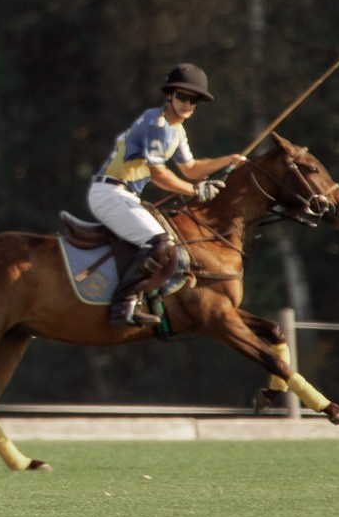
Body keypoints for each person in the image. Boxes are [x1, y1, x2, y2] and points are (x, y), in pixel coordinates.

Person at [87, 63, 246, 327]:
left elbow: (191, 169)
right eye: (182, 97)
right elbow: (159, 174)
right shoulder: (156, 123)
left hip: (125, 195)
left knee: (167, 241)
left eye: (194, 100)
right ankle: (124, 304)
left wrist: (228, 159)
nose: (187, 104)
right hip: (110, 192)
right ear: (169, 96)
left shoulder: (177, 130)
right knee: (160, 242)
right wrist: (195, 191)